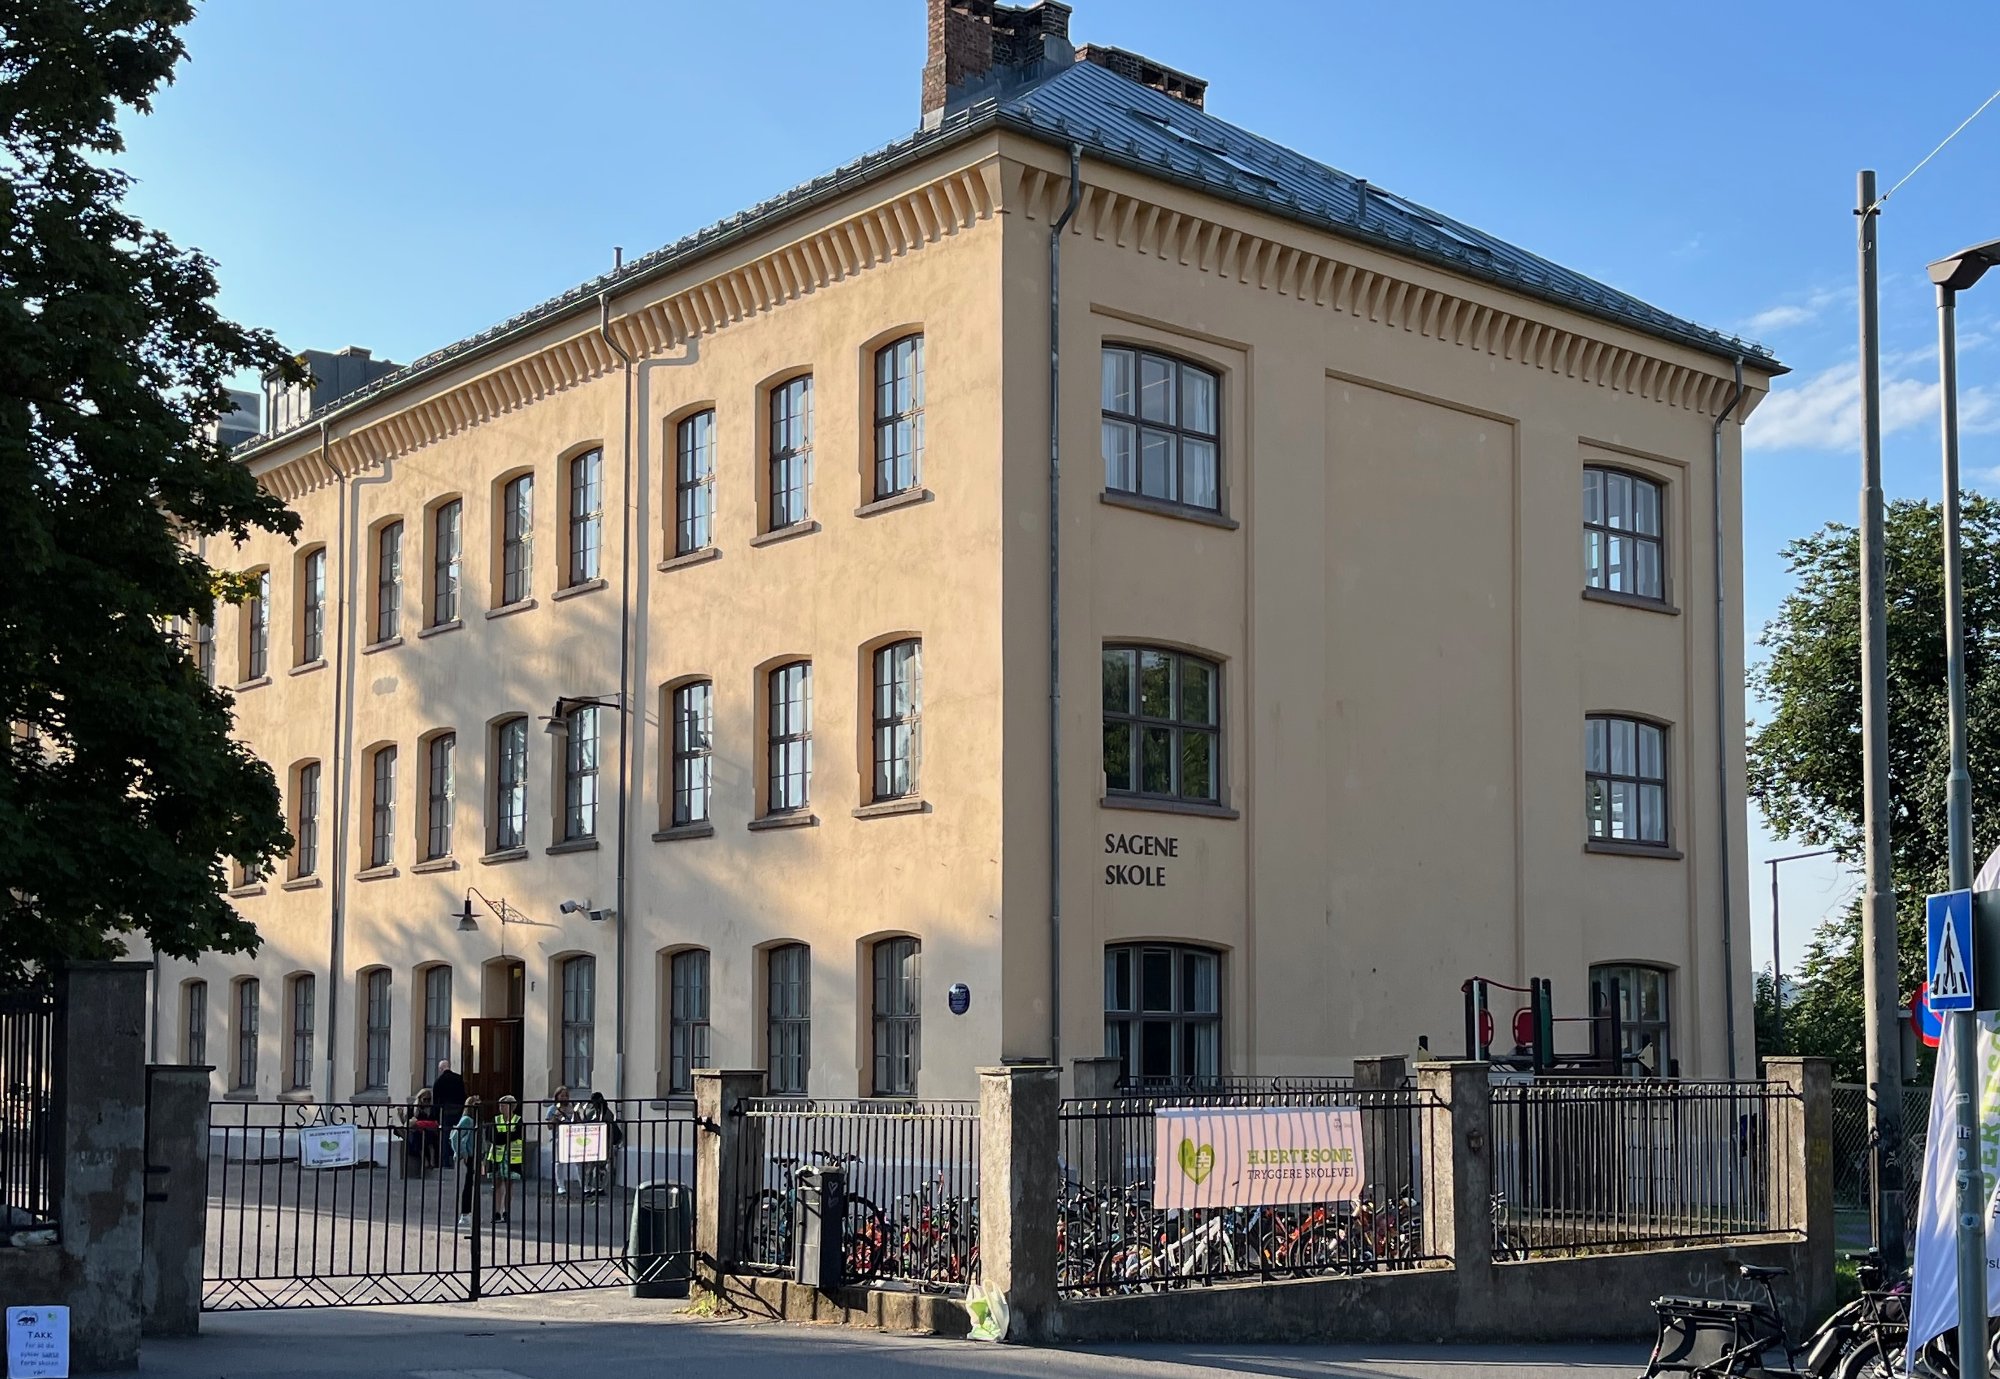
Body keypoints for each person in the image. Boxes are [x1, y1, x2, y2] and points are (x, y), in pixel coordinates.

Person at [488, 1094, 525, 1222]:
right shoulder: (496, 1119)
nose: (501, 1108)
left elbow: (516, 1135)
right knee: (497, 1184)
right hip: (497, 1156)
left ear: (511, 1107)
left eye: (504, 1105)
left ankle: (506, 1212)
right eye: (500, 1105)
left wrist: (503, 1136)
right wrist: (507, 1135)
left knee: (509, 1185)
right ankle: (496, 1212)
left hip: (512, 1156)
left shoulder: (518, 1119)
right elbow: (493, 1137)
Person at [579, 1090, 622, 1197]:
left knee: (601, 1166)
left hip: (604, 1142)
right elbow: (585, 1123)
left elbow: (610, 1128)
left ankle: (599, 1187)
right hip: (593, 1142)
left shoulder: (607, 1113)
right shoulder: (591, 1112)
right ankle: (587, 1188)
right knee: (590, 1167)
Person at [452, 1095, 483, 1230]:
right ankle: (465, 1214)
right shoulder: (467, 1120)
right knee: (467, 1185)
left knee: (472, 1185)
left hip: (474, 1156)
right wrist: (463, 1152)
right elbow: (456, 1137)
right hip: (468, 1157)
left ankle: (469, 1212)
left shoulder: (474, 1121)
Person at [543, 1087, 580, 1198]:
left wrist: (575, 1113)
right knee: (559, 1162)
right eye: (562, 1095)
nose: (564, 1098)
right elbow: (549, 1126)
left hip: (572, 1136)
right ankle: (561, 1186)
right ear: (557, 1096)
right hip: (559, 1137)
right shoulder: (553, 1108)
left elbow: (578, 1122)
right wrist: (556, 1116)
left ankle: (584, 1185)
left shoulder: (571, 1107)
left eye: (566, 1095)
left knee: (579, 1161)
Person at [397, 1088, 440, 1174]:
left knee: (428, 1135)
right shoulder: (413, 1109)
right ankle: (425, 1158)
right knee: (415, 1135)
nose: (427, 1102)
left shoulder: (432, 1110)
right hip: (416, 1132)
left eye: (429, 1099)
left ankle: (431, 1158)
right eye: (425, 1099)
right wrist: (401, 1116)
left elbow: (435, 1122)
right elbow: (407, 1123)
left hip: (428, 1131)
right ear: (420, 1099)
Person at [432, 1060, 466, 1166]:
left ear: (441, 1069)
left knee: (446, 1137)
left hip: (446, 1112)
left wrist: (435, 1117)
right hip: (458, 1111)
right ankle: (458, 1160)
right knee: (458, 1135)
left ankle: (445, 1162)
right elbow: (463, 1095)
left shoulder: (439, 1081)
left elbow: (436, 1102)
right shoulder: (458, 1078)